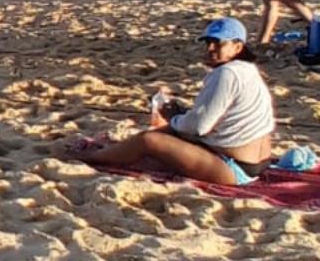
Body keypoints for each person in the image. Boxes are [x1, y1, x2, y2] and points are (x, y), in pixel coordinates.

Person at [76, 18, 274, 186]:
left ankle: (91, 157)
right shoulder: (248, 70)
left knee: (148, 140)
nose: (211, 49)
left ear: (237, 46)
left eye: (218, 43)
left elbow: (199, 127)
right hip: (257, 161)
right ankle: (112, 151)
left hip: (234, 168)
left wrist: (174, 119)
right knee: (165, 134)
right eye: (208, 43)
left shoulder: (227, 73)